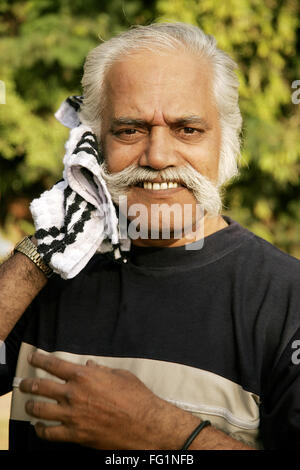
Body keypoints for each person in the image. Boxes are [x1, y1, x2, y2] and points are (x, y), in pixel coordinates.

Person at [0, 22, 300, 451]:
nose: (158, 157)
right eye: (129, 130)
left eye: (187, 130)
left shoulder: (287, 299)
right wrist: (41, 252)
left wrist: (164, 433)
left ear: (228, 141)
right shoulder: (43, 278)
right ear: (91, 144)